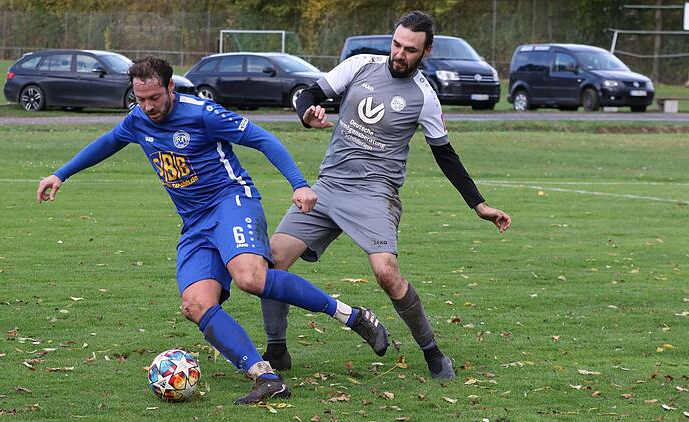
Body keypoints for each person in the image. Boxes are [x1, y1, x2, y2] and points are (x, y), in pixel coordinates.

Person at [35, 56, 389, 404]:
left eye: (154, 98)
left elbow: (264, 139)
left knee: (251, 277)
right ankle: (265, 377)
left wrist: (299, 184)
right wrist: (60, 174)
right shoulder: (136, 119)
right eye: (140, 99)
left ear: (170, 87)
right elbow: (108, 143)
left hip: (231, 202)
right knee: (195, 304)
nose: (147, 107)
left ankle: (352, 316)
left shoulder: (202, 114)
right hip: (195, 223)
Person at [260, 11, 512, 380]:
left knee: (386, 274)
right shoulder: (360, 64)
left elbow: (446, 155)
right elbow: (310, 93)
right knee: (272, 261)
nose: (399, 54)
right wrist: (306, 114)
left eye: (410, 49)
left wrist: (479, 204)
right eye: (396, 44)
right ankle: (277, 349)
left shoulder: (424, 97)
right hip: (328, 186)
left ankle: (433, 353)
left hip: (376, 194)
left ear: (426, 51)